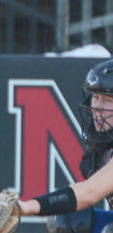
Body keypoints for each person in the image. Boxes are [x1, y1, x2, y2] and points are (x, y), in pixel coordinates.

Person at [17, 58, 113, 232]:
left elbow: (89, 193)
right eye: (96, 97)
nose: (97, 107)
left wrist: (28, 207)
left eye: (108, 100)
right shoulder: (102, 148)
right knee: (68, 219)